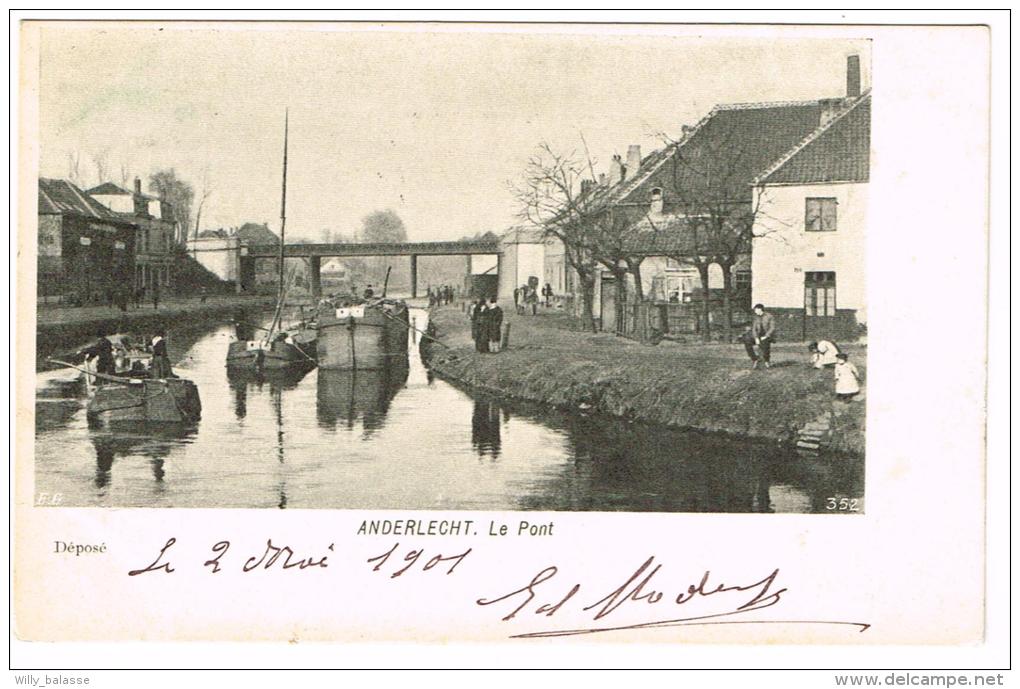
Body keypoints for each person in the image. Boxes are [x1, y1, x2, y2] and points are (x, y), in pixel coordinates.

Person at [750, 303, 775, 369]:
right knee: (747, 341)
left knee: (765, 346)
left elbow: (772, 328)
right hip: (758, 335)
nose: (755, 311)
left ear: (759, 309)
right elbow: (754, 328)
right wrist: (756, 338)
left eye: (755, 310)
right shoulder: (756, 317)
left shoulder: (769, 316)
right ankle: (755, 359)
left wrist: (766, 336)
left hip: (767, 335)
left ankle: (766, 361)